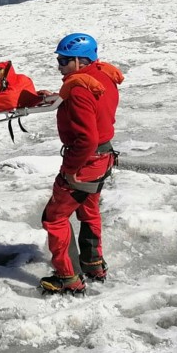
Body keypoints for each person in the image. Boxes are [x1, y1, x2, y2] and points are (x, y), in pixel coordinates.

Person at [39, 32, 124, 294]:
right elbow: (93, 104)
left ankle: (67, 278)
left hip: (86, 162)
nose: (60, 66)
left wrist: (71, 170)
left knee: (55, 218)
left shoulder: (78, 90)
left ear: (79, 60)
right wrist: (59, 96)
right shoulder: (102, 76)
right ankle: (93, 263)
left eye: (64, 61)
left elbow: (86, 138)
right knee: (88, 211)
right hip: (104, 158)